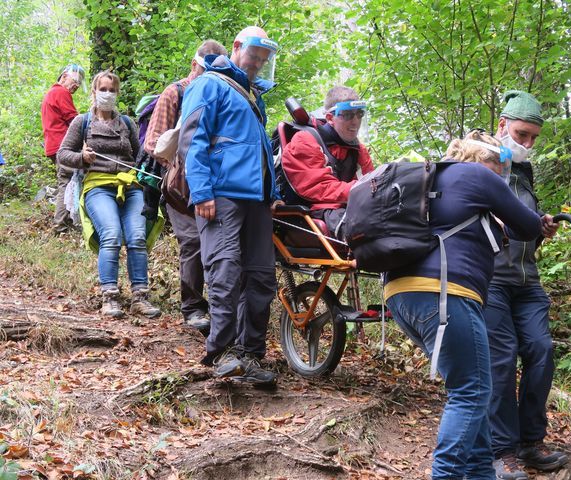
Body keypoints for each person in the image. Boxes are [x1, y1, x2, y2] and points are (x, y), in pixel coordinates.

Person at [384, 130, 543, 480]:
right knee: (472, 393)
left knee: (474, 388)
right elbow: (528, 226)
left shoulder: (432, 178)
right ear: (478, 158)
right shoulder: (476, 175)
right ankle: (446, 475)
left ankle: (480, 474)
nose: (502, 172)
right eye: (498, 163)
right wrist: (543, 224)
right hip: (444, 293)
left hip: (400, 294)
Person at [178, 26, 281, 386]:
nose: (259, 63)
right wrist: (202, 191)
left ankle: (249, 355)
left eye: (264, 59)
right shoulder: (210, 84)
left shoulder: (254, 96)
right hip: (220, 196)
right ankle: (220, 352)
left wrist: (272, 193)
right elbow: (192, 140)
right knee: (225, 270)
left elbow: (261, 150)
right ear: (237, 47)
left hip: (256, 200)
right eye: (255, 55)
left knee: (261, 277)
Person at [486, 91, 566, 480]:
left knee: (541, 350)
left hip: (526, 279)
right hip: (489, 279)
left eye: (534, 137)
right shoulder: (477, 158)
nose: (528, 143)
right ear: (502, 125)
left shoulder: (524, 171)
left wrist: (540, 227)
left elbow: (524, 227)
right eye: (521, 134)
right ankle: (502, 450)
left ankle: (531, 441)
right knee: (501, 359)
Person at [57, 71, 161, 319]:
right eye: (102, 89)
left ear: (117, 93)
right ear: (94, 92)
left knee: (137, 237)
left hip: (130, 186)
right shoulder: (81, 123)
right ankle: (110, 296)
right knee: (112, 235)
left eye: (112, 90)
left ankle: (140, 297)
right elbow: (63, 155)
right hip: (98, 187)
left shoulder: (127, 123)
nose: (107, 94)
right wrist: (82, 158)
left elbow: (140, 157)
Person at [144, 40, 227, 331]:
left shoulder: (221, 92)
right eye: (206, 69)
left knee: (217, 248)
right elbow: (153, 142)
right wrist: (180, 161)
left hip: (216, 187)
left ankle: (220, 310)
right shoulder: (174, 93)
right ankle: (192, 308)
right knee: (192, 243)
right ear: (195, 65)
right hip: (179, 189)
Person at [281, 86, 374, 237]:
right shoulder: (306, 140)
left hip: (347, 207)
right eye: (348, 115)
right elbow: (317, 187)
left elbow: (370, 181)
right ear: (330, 118)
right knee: (368, 229)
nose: (356, 121)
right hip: (314, 211)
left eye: (360, 114)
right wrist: (360, 189)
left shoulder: (358, 149)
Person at [41, 64, 85, 234]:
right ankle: (61, 225)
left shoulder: (52, 93)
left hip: (54, 145)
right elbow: (74, 120)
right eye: (75, 81)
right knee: (66, 183)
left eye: (79, 83)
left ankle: (66, 221)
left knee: (67, 182)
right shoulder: (60, 92)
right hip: (62, 146)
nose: (77, 85)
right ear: (64, 76)